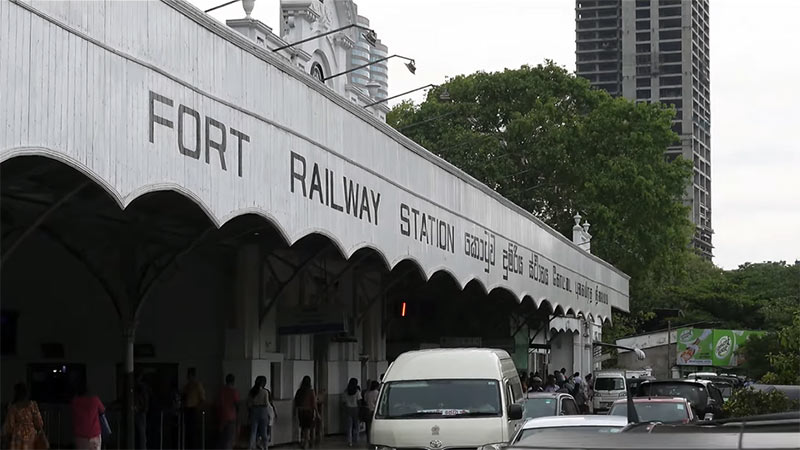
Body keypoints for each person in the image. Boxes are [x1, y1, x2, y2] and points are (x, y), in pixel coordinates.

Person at [2, 382, 44, 450]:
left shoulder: (13, 407)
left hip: (17, 436)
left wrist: (8, 436)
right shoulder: (32, 405)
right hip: (31, 435)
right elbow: (39, 422)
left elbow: (10, 425)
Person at [71, 383, 106, 450]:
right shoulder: (95, 399)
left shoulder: (75, 401)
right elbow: (102, 410)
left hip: (80, 435)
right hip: (94, 434)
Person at [247, 375, 275, 450]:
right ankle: (265, 447)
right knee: (264, 432)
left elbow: (249, 404)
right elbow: (266, 403)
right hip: (263, 411)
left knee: (253, 432)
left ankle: (250, 447)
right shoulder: (265, 392)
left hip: (254, 411)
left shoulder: (252, 391)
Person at [182, 368, 206, 450]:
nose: (187, 376)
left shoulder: (197, 385)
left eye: (189, 374)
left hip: (194, 410)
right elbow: (184, 397)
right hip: (187, 410)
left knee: (193, 432)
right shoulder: (187, 386)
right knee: (187, 431)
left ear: (192, 375)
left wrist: (198, 408)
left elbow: (202, 399)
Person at [293, 376, 316, 450]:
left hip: (300, 412)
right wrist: (317, 413)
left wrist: (294, 412)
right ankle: (306, 443)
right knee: (308, 428)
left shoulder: (299, 391)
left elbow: (295, 402)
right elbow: (314, 404)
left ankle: (302, 441)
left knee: (303, 427)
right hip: (309, 412)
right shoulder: (311, 391)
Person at [217, 374, 239, 450]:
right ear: (233, 381)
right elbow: (236, 403)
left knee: (222, 438)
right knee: (229, 439)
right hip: (231, 417)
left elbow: (219, 403)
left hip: (222, 416)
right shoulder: (234, 391)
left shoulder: (221, 391)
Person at [134, 374, 151, 450]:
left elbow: (144, 400)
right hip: (140, 411)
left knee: (141, 433)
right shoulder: (140, 387)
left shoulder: (141, 387)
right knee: (140, 433)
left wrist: (141, 408)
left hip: (140, 412)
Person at [342, 378, 360, 447]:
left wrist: (344, 410)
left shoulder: (345, 392)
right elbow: (359, 401)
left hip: (348, 409)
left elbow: (343, 402)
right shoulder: (357, 391)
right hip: (355, 409)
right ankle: (356, 439)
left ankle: (350, 441)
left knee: (349, 426)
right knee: (356, 425)